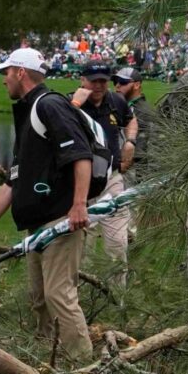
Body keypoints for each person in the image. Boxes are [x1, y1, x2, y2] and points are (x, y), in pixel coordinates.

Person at [0, 45, 98, 366]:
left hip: (60, 221)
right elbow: (12, 181)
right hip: (37, 226)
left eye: (6, 72)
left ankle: (82, 370)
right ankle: (47, 362)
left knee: (59, 295)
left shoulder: (49, 105)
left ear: (21, 72)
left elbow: (81, 156)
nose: (4, 79)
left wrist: (78, 206)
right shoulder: (27, 111)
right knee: (39, 299)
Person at [71, 60, 138, 286]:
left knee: (118, 242)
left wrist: (129, 142)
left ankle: (117, 296)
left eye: (103, 81)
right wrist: (75, 105)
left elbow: (131, 120)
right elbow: (57, 129)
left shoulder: (116, 101)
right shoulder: (70, 103)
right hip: (80, 183)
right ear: (82, 80)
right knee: (81, 245)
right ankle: (78, 295)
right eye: (93, 81)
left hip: (111, 179)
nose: (98, 86)